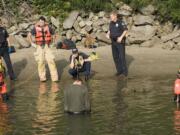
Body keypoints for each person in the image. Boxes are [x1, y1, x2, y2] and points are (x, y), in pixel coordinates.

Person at [28, 16, 58, 82]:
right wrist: (32, 43)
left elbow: (54, 34)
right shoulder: (35, 28)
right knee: (41, 62)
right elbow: (29, 35)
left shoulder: (49, 27)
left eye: (42, 21)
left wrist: (53, 43)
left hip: (47, 46)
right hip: (39, 47)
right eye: (40, 21)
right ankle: (42, 78)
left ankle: (55, 78)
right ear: (38, 22)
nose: (41, 23)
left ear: (44, 22)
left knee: (51, 61)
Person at [106, 11, 128, 77]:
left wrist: (121, 37)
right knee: (115, 57)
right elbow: (110, 30)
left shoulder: (121, 22)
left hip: (120, 42)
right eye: (110, 17)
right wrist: (107, 34)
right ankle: (119, 71)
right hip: (113, 41)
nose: (110, 18)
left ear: (115, 16)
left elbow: (125, 30)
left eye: (111, 17)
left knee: (122, 57)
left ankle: (125, 72)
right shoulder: (111, 23)